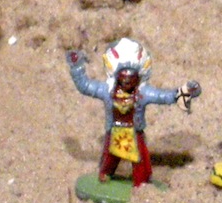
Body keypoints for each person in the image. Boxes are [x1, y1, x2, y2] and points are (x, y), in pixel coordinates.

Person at [67, 39, 199, 189]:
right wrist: (77, 67)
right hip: (114, 130)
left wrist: (184, 92)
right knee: (110, 155)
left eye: (131, 78)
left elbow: (163, 96)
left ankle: (141, 184)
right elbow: (85, 86)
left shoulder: (143, 93)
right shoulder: (107, 91)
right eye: (123, 77)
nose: (127, 81)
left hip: (134, 133)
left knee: (140, 160)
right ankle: (105, 174)